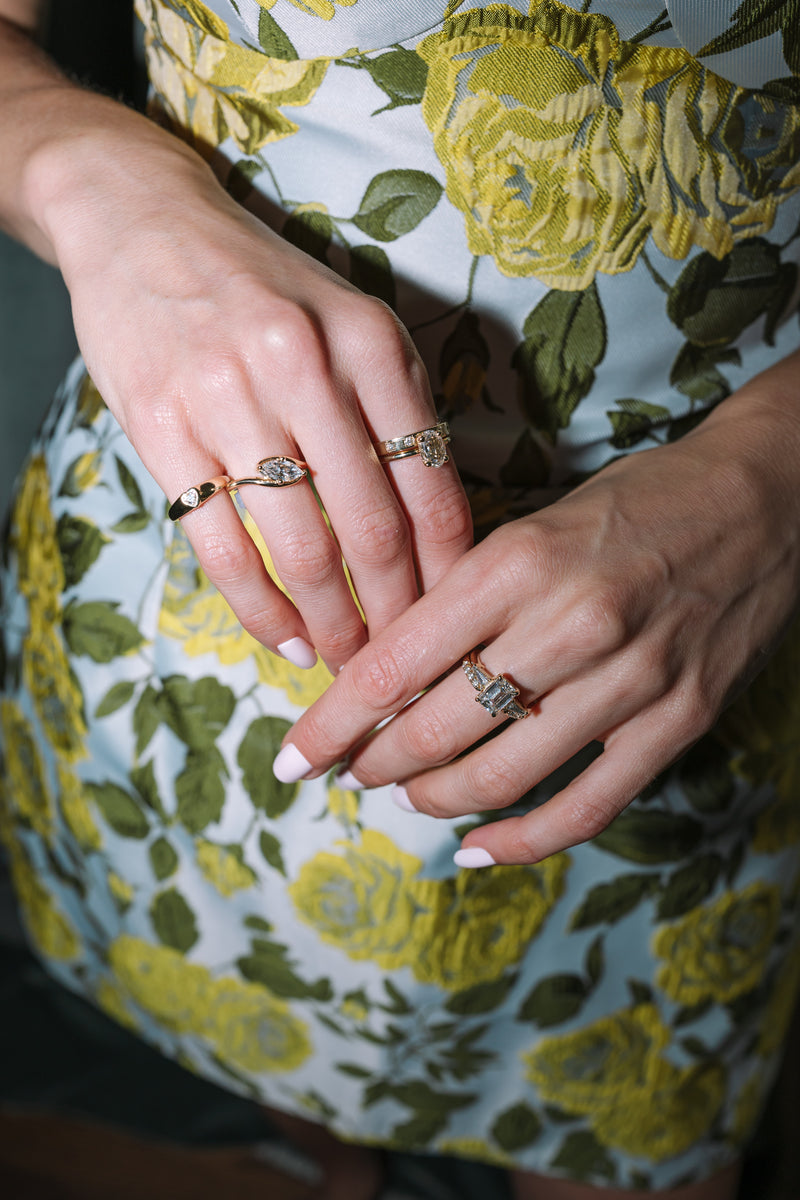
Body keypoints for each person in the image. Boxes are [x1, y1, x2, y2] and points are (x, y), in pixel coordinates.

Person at [1, 1, 799, 1197]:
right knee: (253, 1045)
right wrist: (84, 166)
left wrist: (773, 483)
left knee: (629, 1139)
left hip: (691, 623)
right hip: (184, 571)